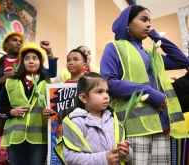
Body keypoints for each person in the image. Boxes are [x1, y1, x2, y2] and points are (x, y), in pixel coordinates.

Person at [100, 5, 189, 165]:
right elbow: (108, 83)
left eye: (150, 21)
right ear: (127, 23)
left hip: (161, 125)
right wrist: (149, 92)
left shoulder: (150, 54)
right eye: (143, 19)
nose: (148, 24)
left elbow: (182, 61)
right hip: (134, 126)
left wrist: (155, 36)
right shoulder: (114, 47)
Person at [0, 32, 58, 134]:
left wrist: (48, 51)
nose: (18, 43)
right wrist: (2, 79)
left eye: (20, 42)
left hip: (21, 114)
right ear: (5, 44)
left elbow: (51, 73)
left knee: (13, 147)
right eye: (14, 40)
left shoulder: (26, 62)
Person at [54, 72, 133, 165]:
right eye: (99, 92)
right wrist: (103, 159)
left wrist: (126, 153)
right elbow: (71, 157)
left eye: (106, 91)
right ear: (83, 97)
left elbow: (121, 155)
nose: (106, 96)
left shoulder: (112, 120)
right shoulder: (76, 122)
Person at [0, 42, 51, 164]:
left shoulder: (48, 84)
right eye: (27, 58)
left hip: (39, 138)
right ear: (22, 62)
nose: (31, 61)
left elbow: (54, 110)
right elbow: (0, 107)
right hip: (15, 137)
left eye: (35, 58)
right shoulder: (10, 82)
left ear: (40, 63)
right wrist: (12, 111)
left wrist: (49, 113)